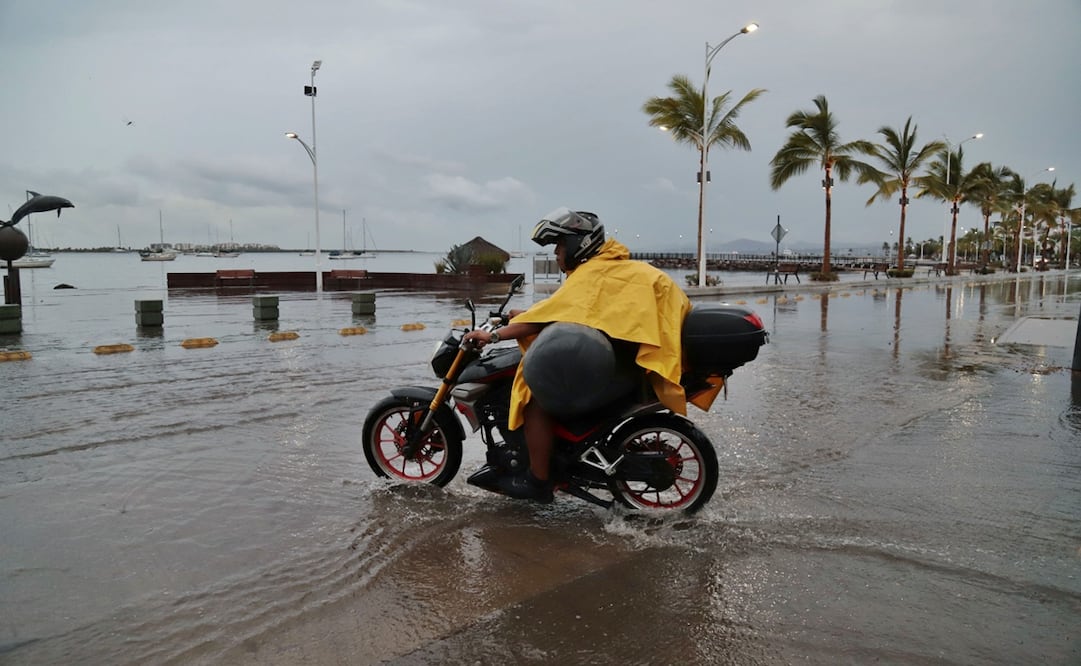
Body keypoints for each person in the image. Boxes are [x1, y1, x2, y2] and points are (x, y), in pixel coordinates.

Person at [463, 207, 699, 503]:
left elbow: (562, 314)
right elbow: (579, 313)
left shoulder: (595, 273)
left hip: (624, 368)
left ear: (579, 244)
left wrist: (492, 335)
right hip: (634, 361)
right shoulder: (613, 268)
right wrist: (528, 314)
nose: (557, 254)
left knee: (534, 400)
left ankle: (538, 480)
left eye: (560, 246)